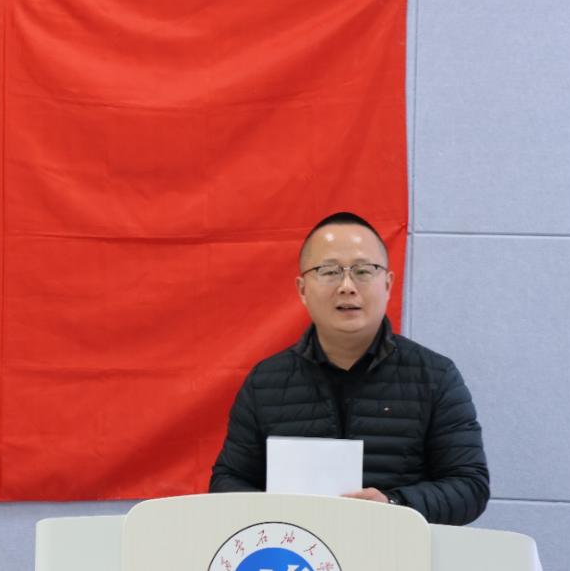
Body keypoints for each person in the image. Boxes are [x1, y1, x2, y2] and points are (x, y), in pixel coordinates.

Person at [209, 211, 489, 526]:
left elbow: (470, 486)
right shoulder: (266, 382)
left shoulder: (434, 377)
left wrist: (394, 504)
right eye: (329, 271)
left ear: (388, 284)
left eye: (363, 271)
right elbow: (227, 480)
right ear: (302, 289)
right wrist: (275, 513)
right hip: (295, 547)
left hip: (395, 546)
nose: (347, 286)